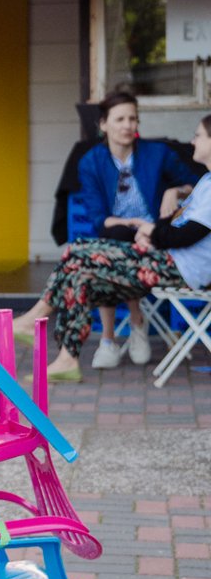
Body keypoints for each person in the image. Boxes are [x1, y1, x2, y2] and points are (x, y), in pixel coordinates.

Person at [14, 113, 211, 382]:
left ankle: (39, 322)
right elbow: (176, 225)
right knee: (79, 271)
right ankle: (66, 358)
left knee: (78, 253)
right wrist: (152, 232)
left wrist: (152, 232)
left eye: (199, 135)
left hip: (180, 269)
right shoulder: (205, 182)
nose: (192, 141)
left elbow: (186, 236)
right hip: (166, 259)